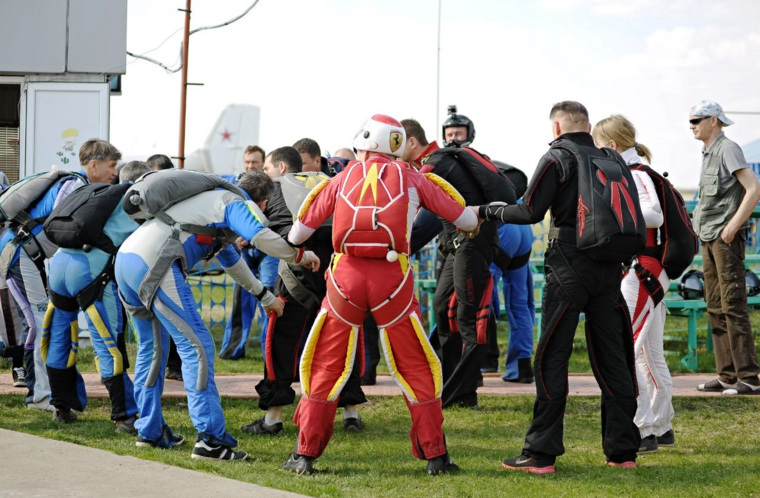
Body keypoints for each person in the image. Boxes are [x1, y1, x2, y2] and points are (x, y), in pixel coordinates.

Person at [281, 114, 479, 476]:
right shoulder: (414, 176)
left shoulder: (341, 179)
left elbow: (298, 232)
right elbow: (465, 220)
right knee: (416, 364)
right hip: (393, 278)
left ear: (362, 145)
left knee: (327, 362)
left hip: (345, 278)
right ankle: (436, 455)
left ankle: (304, 454)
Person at [477, 101, 641, 474]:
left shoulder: (557, 157)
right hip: (607, 267)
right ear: (586, 124)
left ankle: (541, 453)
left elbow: (530, 212)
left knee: (552, 356)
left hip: (569, 264)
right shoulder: (608, 156)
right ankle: (622, 451)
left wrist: (488, 211)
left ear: (556, 127)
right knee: (613, 358)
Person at [115, 170, 319, 459]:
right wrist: (298, 254)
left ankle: (149, 431)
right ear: (262, 202)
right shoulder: (235, 203)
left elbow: (231, 261)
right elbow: (259, 235)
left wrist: (265, 296)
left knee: (152, 349)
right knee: (198, 348)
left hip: (127, 260)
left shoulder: (209, 204)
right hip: (155, 264)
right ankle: (210, 440)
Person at [241, 146, 366, 437]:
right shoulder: (337, 180)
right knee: (345, 341)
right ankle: (351, 412)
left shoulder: (276, 187)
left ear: (282, 167)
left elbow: (277, 231)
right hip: (340, 274)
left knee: (281, 342)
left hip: (297, 274)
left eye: (268, 168)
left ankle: (273, 418)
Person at [0, 139, 115, 412]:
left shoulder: (76, 185)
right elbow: (66, 229)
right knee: (39, 324)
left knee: (39, 323)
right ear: (94, 165)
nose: (115, 172)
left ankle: (45, 393)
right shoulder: (76, 187)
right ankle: (40, 397)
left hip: (24, 253)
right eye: (111, 166)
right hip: (21, 254)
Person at [412, 109, 511, 410]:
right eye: (450, 133)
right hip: (455, 246)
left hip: (471, 244)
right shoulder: (444, 162)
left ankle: (464, 393)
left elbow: (410, 194)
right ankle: (447, 383)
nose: (454, 139)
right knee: (443, 309)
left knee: (470, 320)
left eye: (460, 133)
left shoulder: (438, 162)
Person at [42, 160, 151, 429]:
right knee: (107, 343)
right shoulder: (135, 203)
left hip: (59, 267)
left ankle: (62, 406)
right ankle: (124, 415)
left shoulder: (94, 194)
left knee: (59, 337)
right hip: (90, 272)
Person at [592, 115, 675, 452]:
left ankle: (642, 429)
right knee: (649, 351)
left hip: (642, 268)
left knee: (630, 347)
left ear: (611, 145)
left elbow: (653, 214)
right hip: (653, 269)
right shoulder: (643, 171)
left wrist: (617, 214)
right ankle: (661, 423)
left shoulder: (634, 174)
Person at [689, 100, 760, 395]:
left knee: (733, 305)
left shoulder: (728, 148)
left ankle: (750, 379)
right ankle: (727, 376)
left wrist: (732, 227)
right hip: (709, 237)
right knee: (715, 305)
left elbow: (754, 188)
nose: (691, 125)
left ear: (714, 120)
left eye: (696, 120)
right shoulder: (707, 152)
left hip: (724, 238)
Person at [218, 145, 278, 360]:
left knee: (269, 298)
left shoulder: (273, 186)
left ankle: (270, 352)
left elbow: (278, 218)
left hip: (268, 250)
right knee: (241, 299)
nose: (251, 165)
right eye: (247, 162)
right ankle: (233, 349)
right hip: (243, 249)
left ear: (263, 164)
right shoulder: (235, 184)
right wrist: (237, 237)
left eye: (255, 162)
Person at [144, 153, 183, 380]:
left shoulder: (179, 198)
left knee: (174, 315)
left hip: (171, 263)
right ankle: (156, 367)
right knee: (150, 319)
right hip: (145, 264)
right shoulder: (141, 199)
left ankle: (175, 366)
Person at [483, 221, 536, 383]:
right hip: (523, 228)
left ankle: (477, 364)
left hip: (501, 229)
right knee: (519, 302)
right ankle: (522, 367)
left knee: (478, 299)